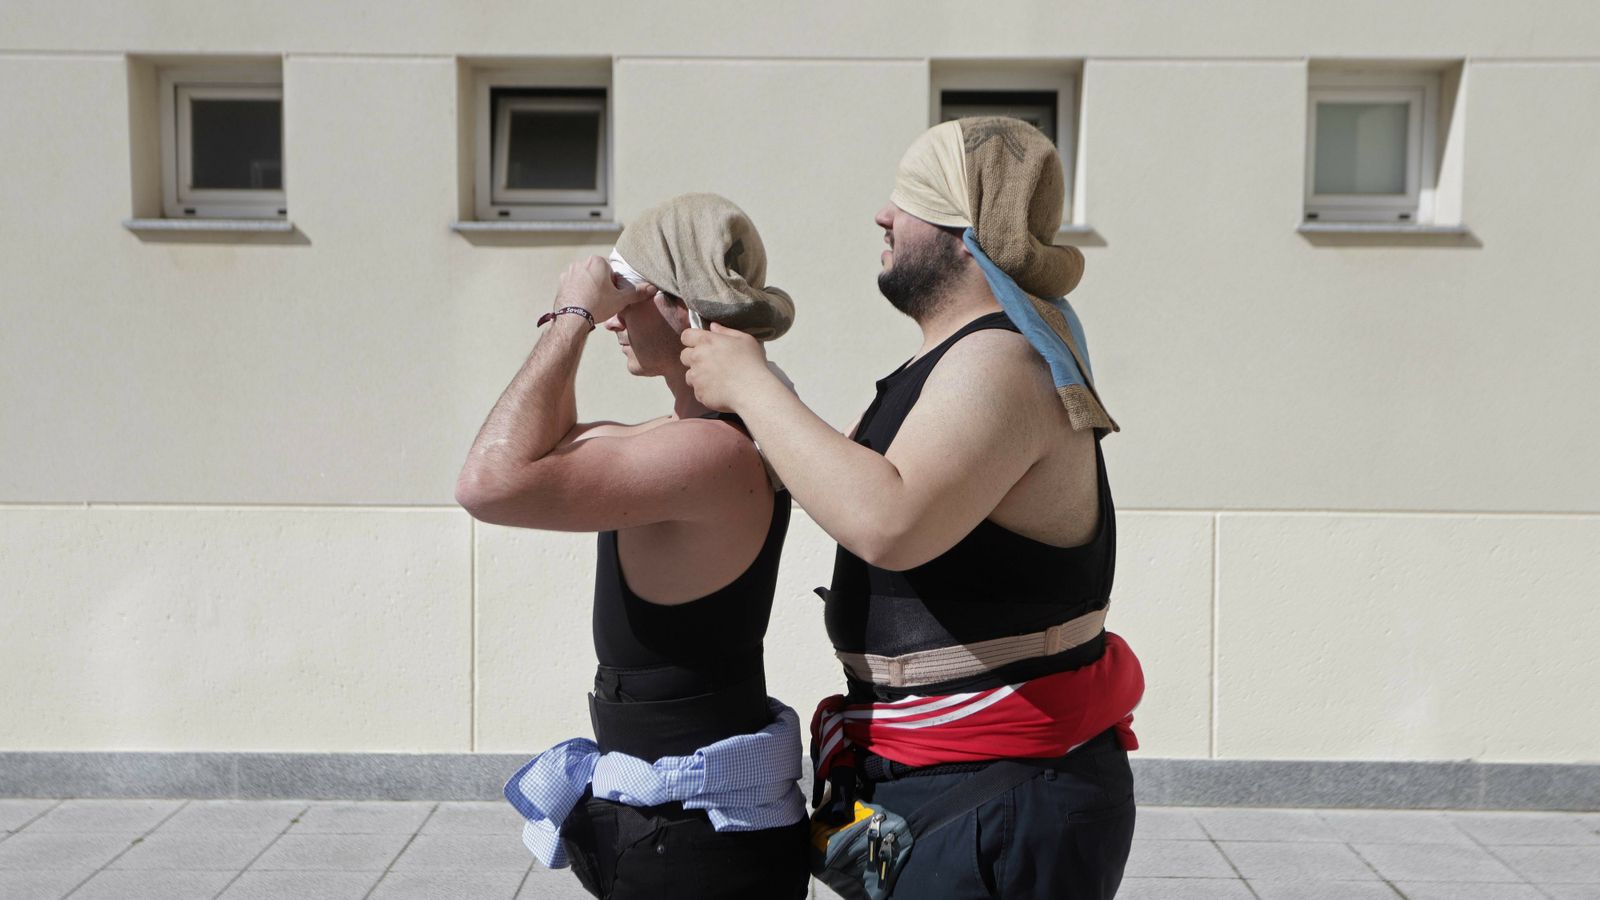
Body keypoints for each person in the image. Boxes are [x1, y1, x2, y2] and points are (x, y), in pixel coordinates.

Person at [679, 119, 1145, 898]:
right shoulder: (954, 362)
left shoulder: (1006, 360)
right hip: (928, 777)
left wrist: (752, 385)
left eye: (911, 198)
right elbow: (842, 480)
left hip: (998, 791)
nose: (884, 216)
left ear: (969, 232)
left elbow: (887, 522)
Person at [456, 193, 808, 900]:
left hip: (701, 843)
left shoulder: (709, 455)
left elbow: (488, 483)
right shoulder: (679, 440)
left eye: (629, 289)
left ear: (684, 305)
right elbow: (546, 447)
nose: (615, 312)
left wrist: (571, 318)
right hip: (675, 829)